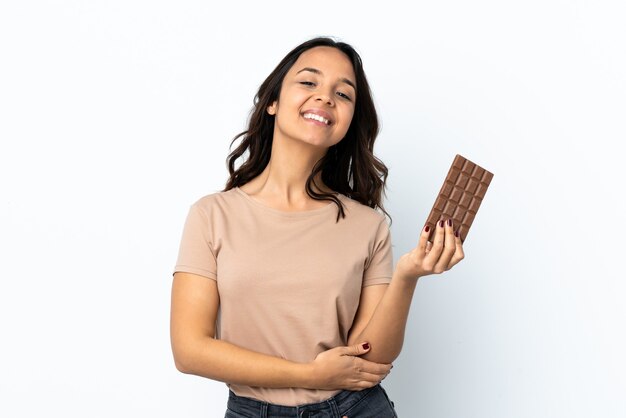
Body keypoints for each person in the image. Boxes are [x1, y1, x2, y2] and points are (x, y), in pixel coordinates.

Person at [170, 36, 465, 418]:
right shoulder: (211, 215)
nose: (325, 98)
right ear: (273, 102)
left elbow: (368, 360)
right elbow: (189, 349)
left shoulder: (368, 225)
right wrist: (309, 374)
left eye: (343, 94)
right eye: (309, 82)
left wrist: (407, 277)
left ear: (348, 123)